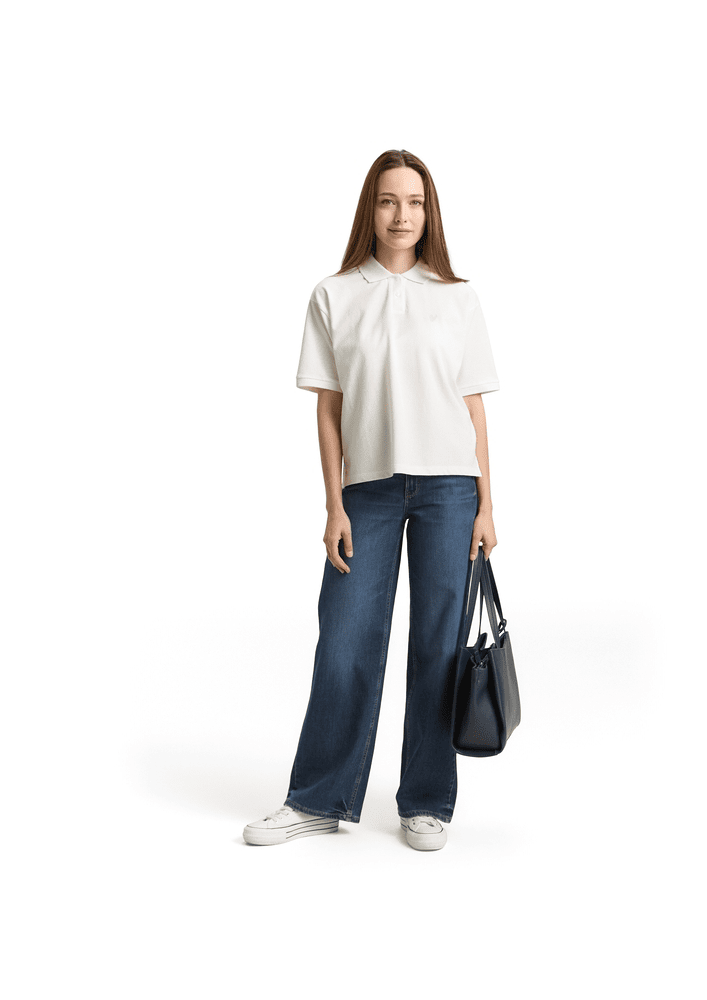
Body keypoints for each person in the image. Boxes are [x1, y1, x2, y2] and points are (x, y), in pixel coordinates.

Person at [243, 149, 500, 851]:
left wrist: (487, 504)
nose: (401, 215)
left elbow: (474, 407)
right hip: (369, 492)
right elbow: (328, 409)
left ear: (429, 212)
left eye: (415, 202)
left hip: (450, 488)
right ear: (371, 208)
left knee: (438, 645)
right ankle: (317, 798)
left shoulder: (458, 297)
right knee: (346, 638)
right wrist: (334, 505)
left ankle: (426, 802)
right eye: (389, 201)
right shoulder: (334, 294)